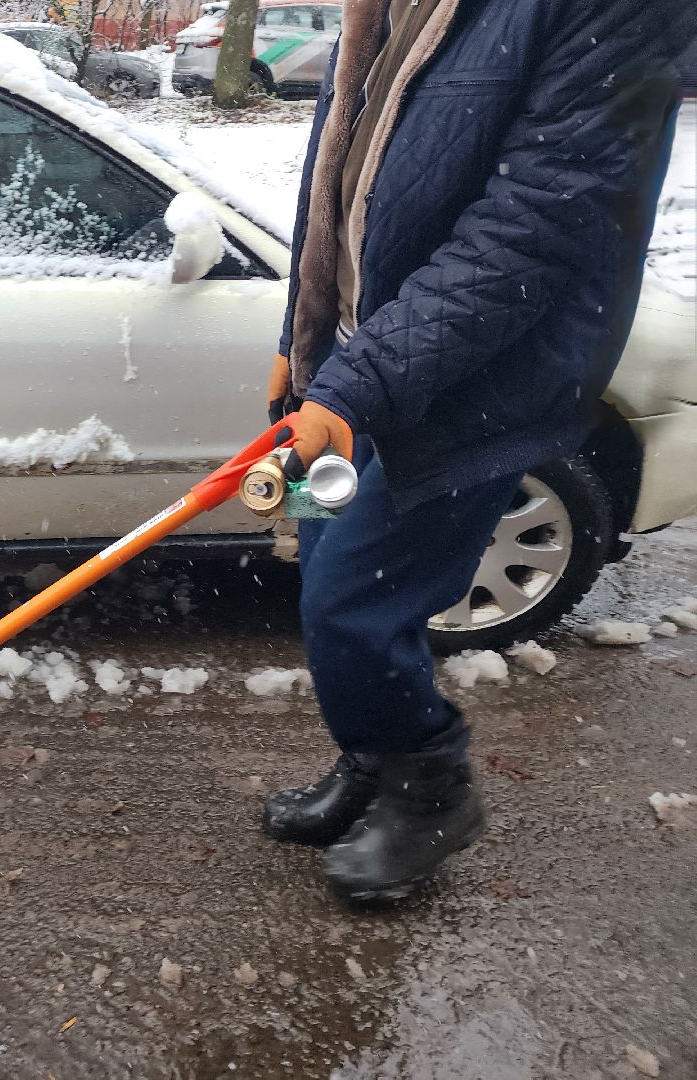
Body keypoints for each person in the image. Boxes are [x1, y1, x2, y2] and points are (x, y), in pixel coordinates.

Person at [261, 0, 695, 900]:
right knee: (319, 571)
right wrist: (299, 342)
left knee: (355, 604)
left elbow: (534, 225)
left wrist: (352, 388)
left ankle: (431, 790)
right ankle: (372, 761)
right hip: (357, 357)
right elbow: (334, 177)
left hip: (479, 380)